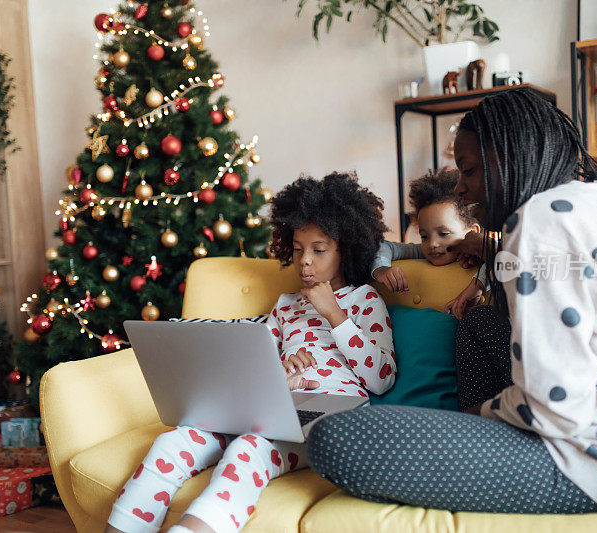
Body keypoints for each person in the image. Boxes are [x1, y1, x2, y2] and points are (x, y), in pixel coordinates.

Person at [307, 89, 597, 514]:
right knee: (479, 326)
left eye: (470, 170)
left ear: (508, 160)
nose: (460, 188)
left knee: (333, 438)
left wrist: (482, 415)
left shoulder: (540, 220)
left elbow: (560, 412)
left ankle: (478, 431)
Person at [105, 172, 396, 533]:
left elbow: (381, 379)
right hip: (274, 404)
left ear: (347, 250)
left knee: (250, 447)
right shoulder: (286, 305)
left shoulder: (364, 300)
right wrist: (280, 371)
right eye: (298, 248)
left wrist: (333, 313)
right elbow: (254, 362)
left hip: (333, 412)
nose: (305, 261)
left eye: (319, 250)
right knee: (173, 441)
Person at [370, 168, 487, 315]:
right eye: (424, 236)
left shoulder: (485, 258)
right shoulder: (423, 252)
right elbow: (384, 246)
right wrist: (381, 269)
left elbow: (500, 258)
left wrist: (477, 285)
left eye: (444, 233)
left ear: (473, 232)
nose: (432, 244)